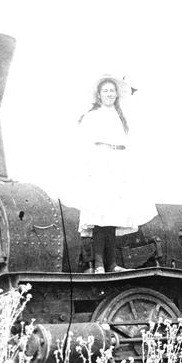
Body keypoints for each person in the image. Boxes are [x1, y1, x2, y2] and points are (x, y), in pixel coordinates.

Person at [76, 74, 138, 273]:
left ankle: (112, 264)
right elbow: (84, 144)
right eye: (106, 91)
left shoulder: (121, 117)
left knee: (113, 217)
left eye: (112, 91)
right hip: (100, 164)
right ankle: (100, 264)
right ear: (99, 95)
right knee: (99, 217)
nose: (109, 94)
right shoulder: (93, 115)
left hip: (118, 165)